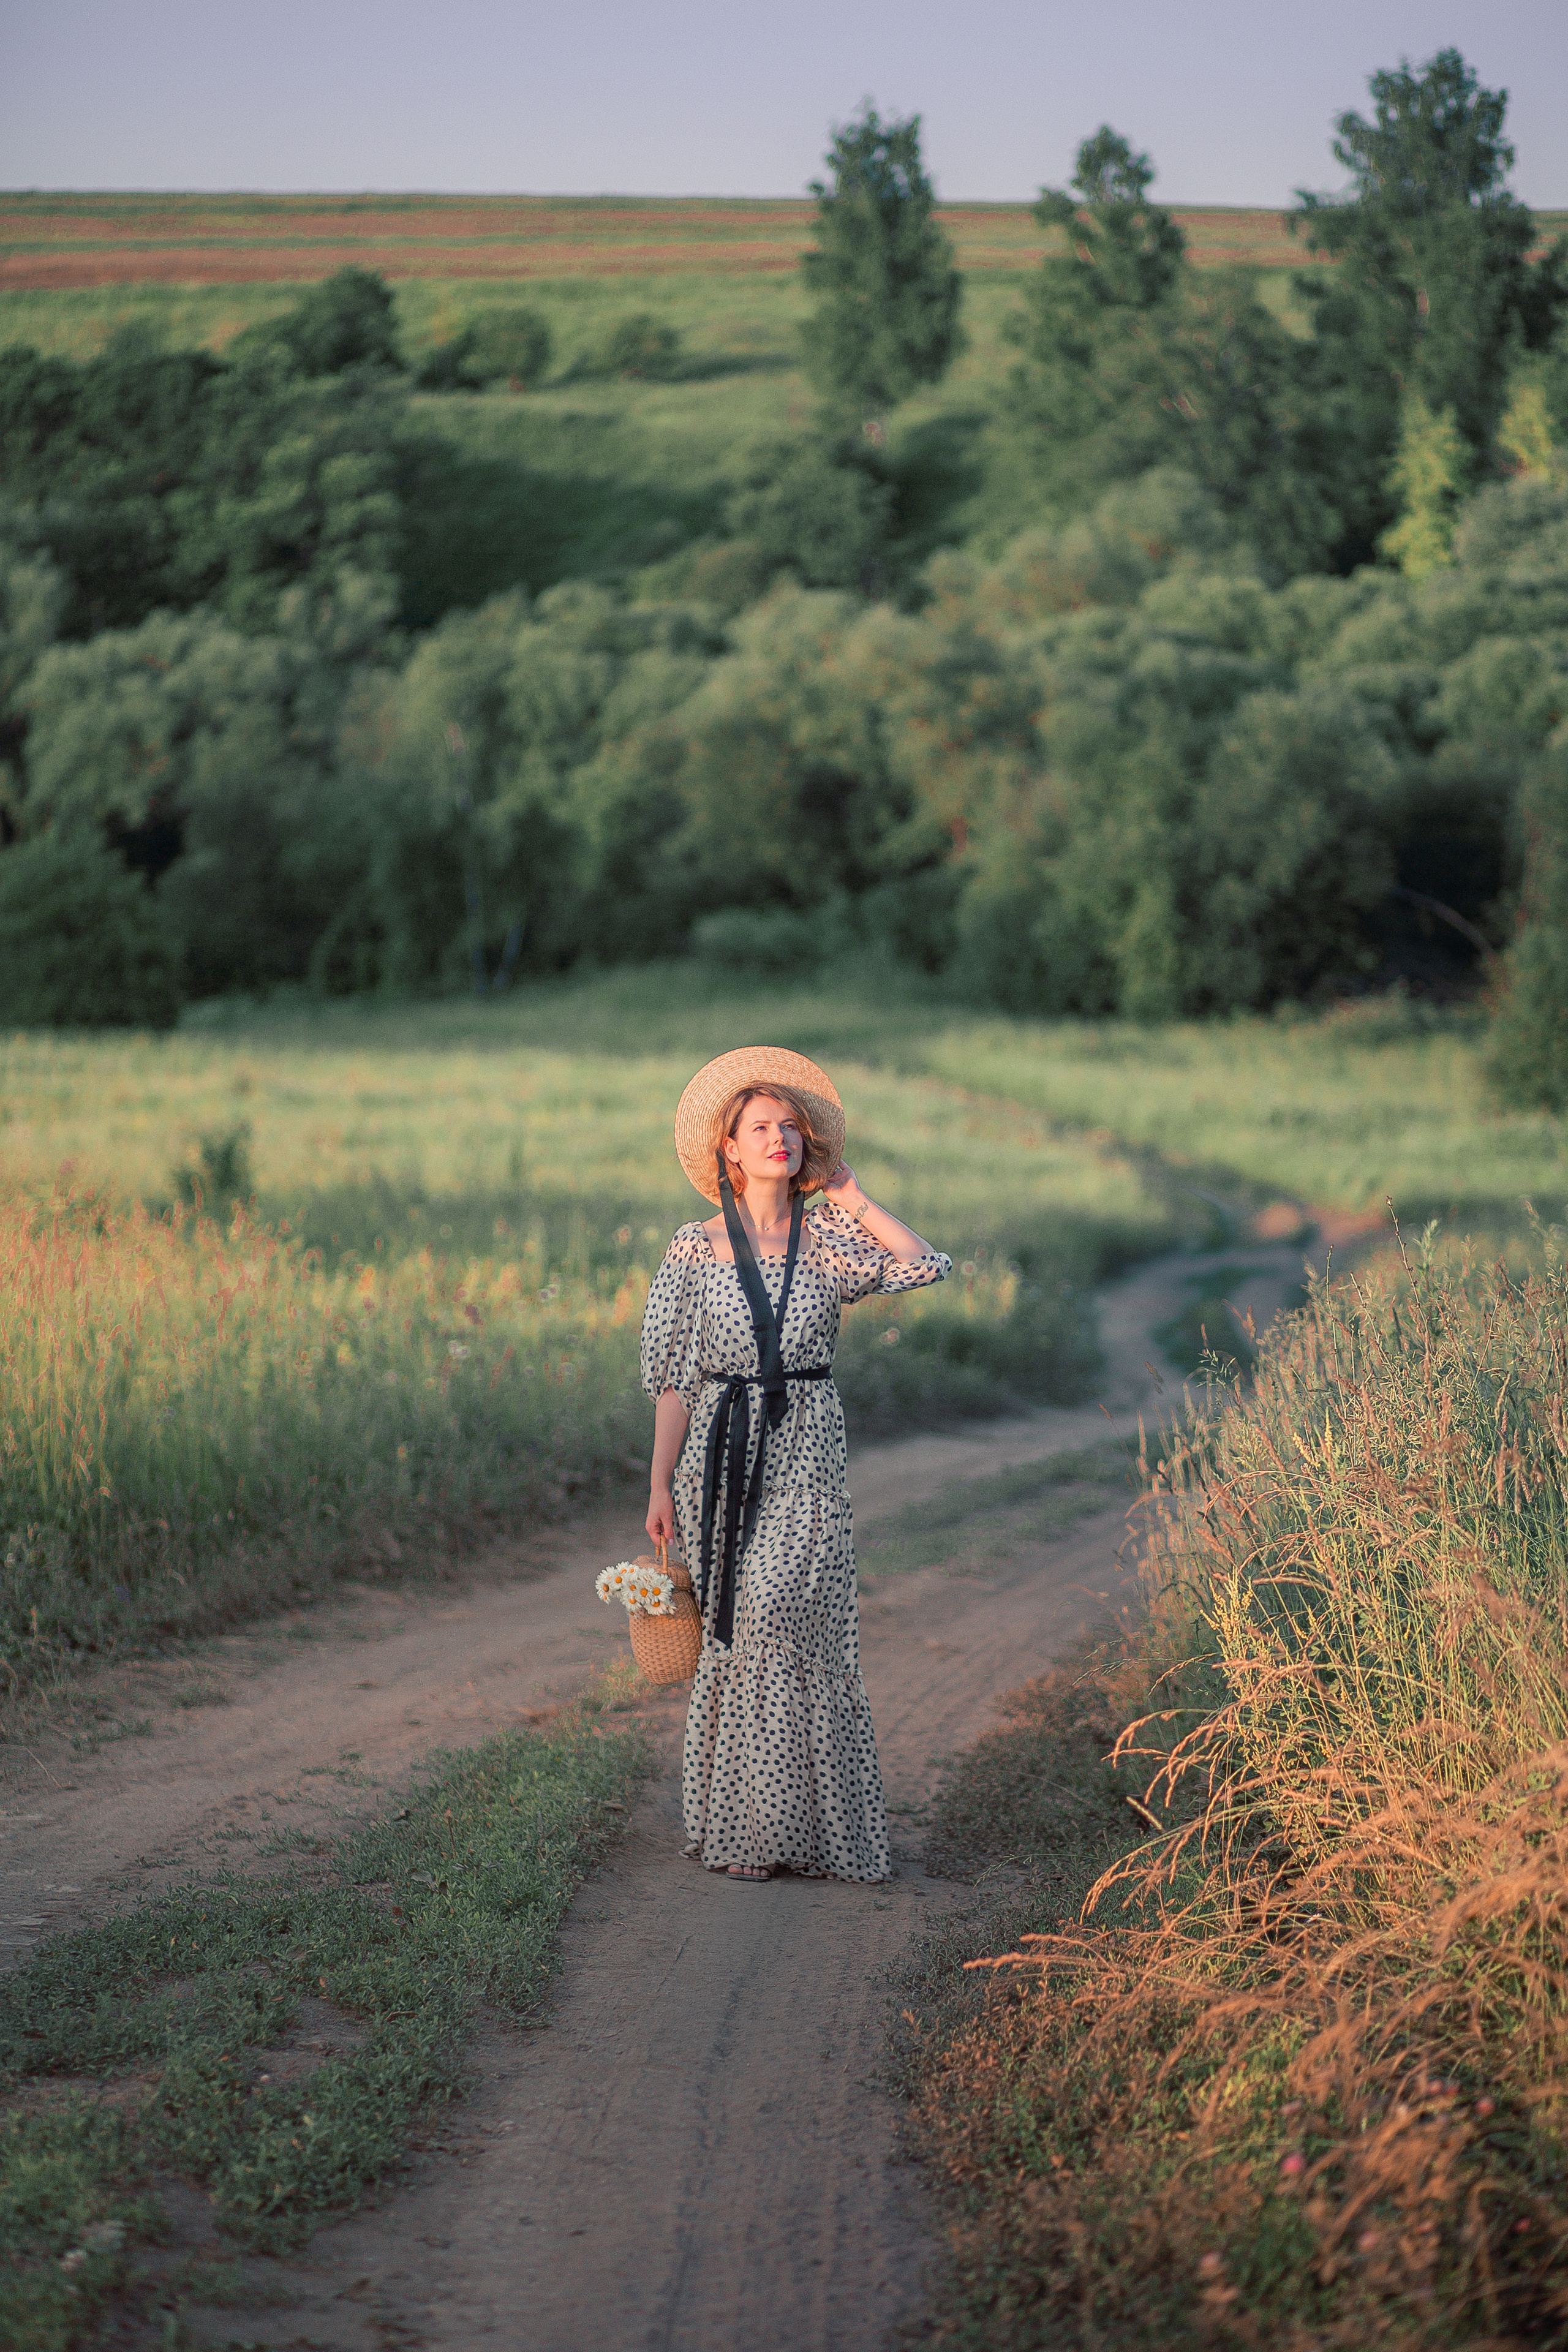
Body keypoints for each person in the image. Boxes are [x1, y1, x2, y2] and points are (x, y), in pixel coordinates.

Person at [641, 1047, 950, 1883]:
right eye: (758, 1128)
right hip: (719, 1449)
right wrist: (659, 1483)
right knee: (739, 1635)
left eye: (789, 1126)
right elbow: (673, 1376)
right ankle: (748, 1825)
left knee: (785, 1616)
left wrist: (853, 1193)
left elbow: (926, 1263)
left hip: (808, 1447)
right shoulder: (693, 1248)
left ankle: (799, 1829)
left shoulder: (831, 1239)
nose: (778, 1138)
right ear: (728, 1151)